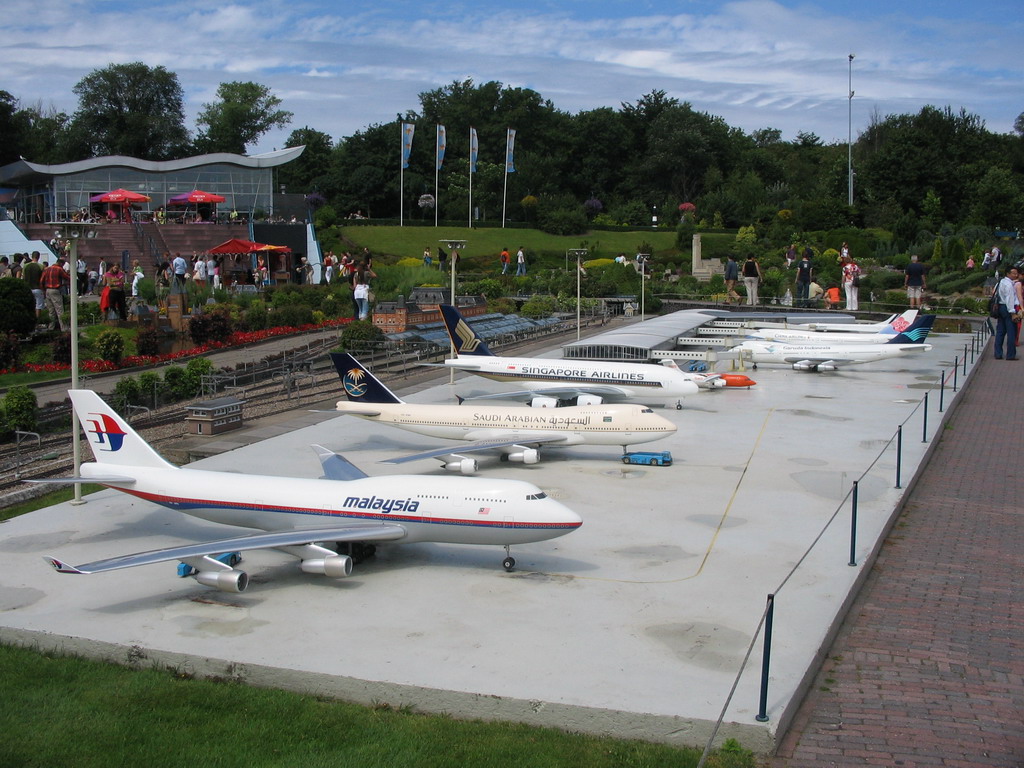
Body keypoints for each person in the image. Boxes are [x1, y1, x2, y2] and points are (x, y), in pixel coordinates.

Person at [992, 267, 1020, 360]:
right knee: (1011, 332)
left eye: (1016, 273)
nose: (1016, 275)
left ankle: (998, 353)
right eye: (1013, 273)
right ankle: (1010, 355)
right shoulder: (1008, 285)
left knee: (1000, 331)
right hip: (1008, 308)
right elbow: (1009, 299)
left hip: (1001, 307)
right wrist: (1012, 313)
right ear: (1008, 274)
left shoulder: (1001, 282)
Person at [40, 257, 70, 331]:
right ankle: (64, 328)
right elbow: (67, 277)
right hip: (55, 290)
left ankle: (51, 327)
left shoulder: (46, 269)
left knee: (51, 311)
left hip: (47, 290)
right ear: (61, 263)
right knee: (60, 310)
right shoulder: (59, 269)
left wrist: (43, 290)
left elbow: (41, 281)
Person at [21, 251, 44, 321]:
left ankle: (29, 321)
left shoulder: (25, 266)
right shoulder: (41, 266)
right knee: (38, 306)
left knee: (29, 306)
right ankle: (37, 322)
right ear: (39, 257)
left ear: (32, 256)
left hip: (28, 288)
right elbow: (42, 279)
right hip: (38, 288)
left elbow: (23, 277)